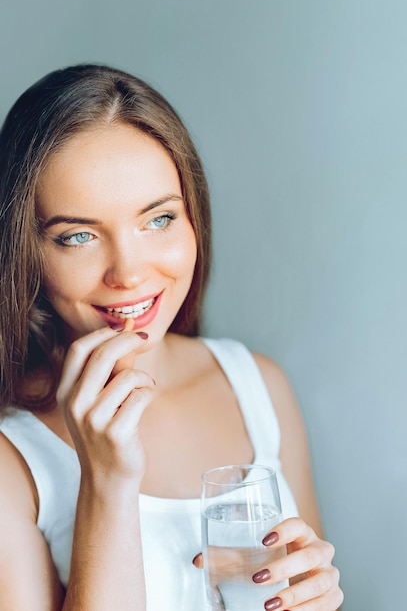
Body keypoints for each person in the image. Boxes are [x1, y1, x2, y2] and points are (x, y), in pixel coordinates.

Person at [0, 63, 343, 611]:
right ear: (27, 253)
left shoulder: (257, 384)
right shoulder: (10, 456)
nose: (129, 273)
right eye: (79, 236)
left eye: (157, 220)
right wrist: (107, 483)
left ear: (192, 219)